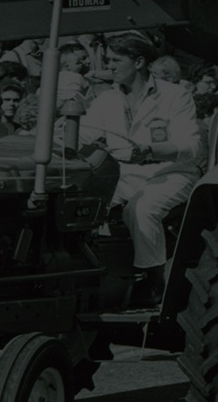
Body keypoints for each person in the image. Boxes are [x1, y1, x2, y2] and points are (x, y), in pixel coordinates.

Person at [80, 33, 201, 305]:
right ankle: (100, 278)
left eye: (115, 60)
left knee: (142, 209)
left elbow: (191, 146)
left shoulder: (174, 95)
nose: (108, 66)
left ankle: (154, 280)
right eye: (108, 60)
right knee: (84, 205)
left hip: (171, 173)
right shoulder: (108, 99)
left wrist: (150, 150)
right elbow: (83, 133)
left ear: (138, 62)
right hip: (124, 176)